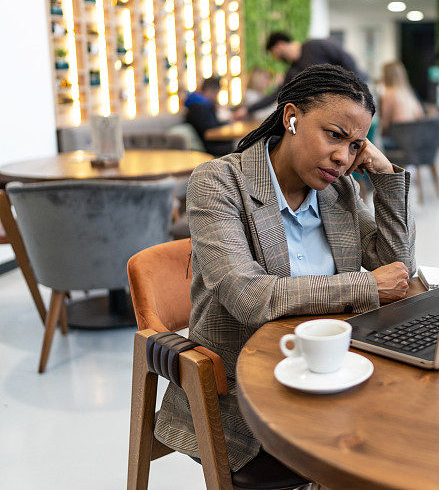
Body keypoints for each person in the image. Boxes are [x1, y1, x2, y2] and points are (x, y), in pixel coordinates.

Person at [155, 64, 416, 476]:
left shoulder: (338, 190)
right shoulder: (219, 183)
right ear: (291, 117)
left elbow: (397, 268)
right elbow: (249, 296)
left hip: (335, 373)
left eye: (355, 146)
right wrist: (364, 285)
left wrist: (384, 177)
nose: (342, 157)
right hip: (246, 396)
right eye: (334, 135)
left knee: (412, 435)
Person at [234, 31, 368, 119]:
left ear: (280, 45)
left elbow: (346, 59)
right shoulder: (293, 71)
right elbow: (278, 94)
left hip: (358, 92)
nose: (275, 57)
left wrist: (355, 89)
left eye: (273, 52)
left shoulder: (315, 46)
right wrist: (248, 109)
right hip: (336, 106)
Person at [184, 76, 231, 156]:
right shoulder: (200, 107)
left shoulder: (198, 103)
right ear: (209, 91)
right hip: (208, 148)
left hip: (207, 144)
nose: (217, 97)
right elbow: (210, 130)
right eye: (216, 93)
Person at [379, 61, 424, 135]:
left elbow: (384, 122)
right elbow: (420, 114)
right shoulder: (408, 92)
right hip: (412, 137)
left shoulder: (389, 94)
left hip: (398, 137)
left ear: (386, 76)